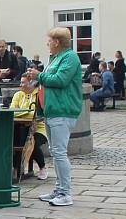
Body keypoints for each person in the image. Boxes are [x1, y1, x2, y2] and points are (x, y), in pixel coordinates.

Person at [26, 27, 82, 207]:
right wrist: (37, 78)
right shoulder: (57, 58)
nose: (47, 44)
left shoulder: (70, 57)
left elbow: (60, 80)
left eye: (49, 41)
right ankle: (59, 189)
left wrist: (39, 75)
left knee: (59, 152)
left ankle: (65, 193)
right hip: (52, 110)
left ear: (57, 42)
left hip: (62, 110)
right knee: (55, 151)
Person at [10, 74, 48, 180]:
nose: (20, 85)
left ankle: (42, 167)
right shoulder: (18, 95)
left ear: (31, 84)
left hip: (38, 128)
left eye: (23, 82)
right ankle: (16, 169)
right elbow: (12, 111)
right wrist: (28, 112)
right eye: (21, 82)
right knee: (16, 141)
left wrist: (21, 111)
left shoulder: (39, 96)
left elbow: (37, 114)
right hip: (20, 127)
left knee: (32, 143)